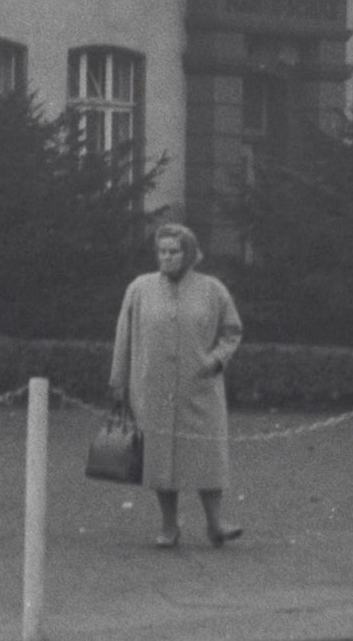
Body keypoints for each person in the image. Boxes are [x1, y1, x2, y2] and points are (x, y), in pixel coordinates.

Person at [109, 222, 244, 549]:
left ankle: (215, 523)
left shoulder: (213, 290)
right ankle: (169, 526)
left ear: (189, 254)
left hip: (199, 389)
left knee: (207, 456)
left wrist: (216, 361)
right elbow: (123, 337)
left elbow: (232, 331)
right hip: (151, 388)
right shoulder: (139, 288)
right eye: (162, 251)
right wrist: (118, 381)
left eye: (174, 251)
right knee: (160, 459)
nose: (166, 258)